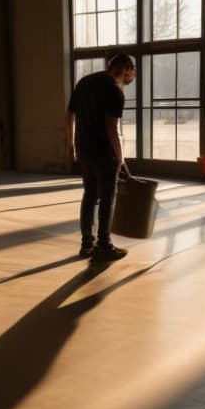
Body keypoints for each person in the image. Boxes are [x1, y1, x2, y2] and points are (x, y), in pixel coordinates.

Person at [65, 53, 135, 261]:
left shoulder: (85, 82)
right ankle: (104, 244)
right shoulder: (114, 90)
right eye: (131, 72)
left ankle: (87, 244)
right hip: (104, 152)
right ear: (124, 69)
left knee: (89, 194)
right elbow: (110, 128)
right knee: (107, 197)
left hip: (84, 150)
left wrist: (71, 145)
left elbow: (69, 114)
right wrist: (119, 157)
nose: (130, 77)